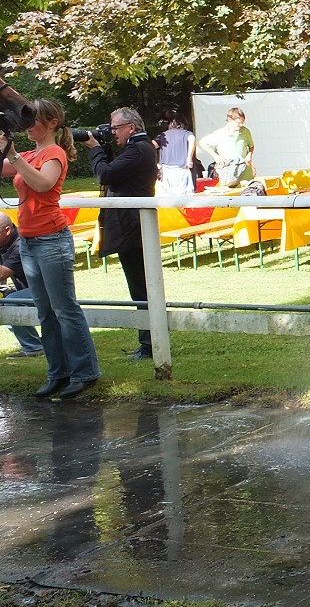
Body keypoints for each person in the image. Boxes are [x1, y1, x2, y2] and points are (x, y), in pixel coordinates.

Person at [0, 98, 100, 399]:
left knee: (64, 309)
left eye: (33, 121)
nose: (27, 126)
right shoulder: (32, 153)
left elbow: (43, 184)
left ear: (52, 123)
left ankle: (84, 372)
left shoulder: (53, 153)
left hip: (51, 240)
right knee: (45, 311)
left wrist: (15, 155)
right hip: (31, 241)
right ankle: (58, 372)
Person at [84, 108, 158, 361]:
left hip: (132, 227)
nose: (112, 132)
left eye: (115, 127)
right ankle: (148, 342)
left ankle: (149, 346)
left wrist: (94, 147)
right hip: (133, 226)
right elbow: (113, 174)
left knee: (140, 288)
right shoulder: (139, 148)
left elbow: (105, 174)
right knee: (141, 287)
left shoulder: (138, 150)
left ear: (132, 128)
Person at [0, 215, 43, 358]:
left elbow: (2, 274)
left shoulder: (21, 244)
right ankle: (29, 339)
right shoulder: (4, 242)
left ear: (7, 230)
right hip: (27, 290)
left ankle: (33, 347)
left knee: (10, 301)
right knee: (5, 299)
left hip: (46, 290)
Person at [199, 107, 255, 184]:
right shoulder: (220, 134)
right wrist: (216, 156)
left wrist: (249, 155)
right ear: (230, 120)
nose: (241, 125)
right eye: (238, 123)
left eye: (243, 122)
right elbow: (202, 142)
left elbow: (251, 146)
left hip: (245, 173)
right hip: (228, 173)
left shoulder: (245, 131)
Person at [154, 115, 196, 196]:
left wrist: (155, 162)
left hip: (166, 169)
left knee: (166, 196)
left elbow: (153, 144)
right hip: (182, 168)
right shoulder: (187, 133)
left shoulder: (164, 135)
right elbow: (192, 139)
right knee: (183, 197)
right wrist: (189, 158)